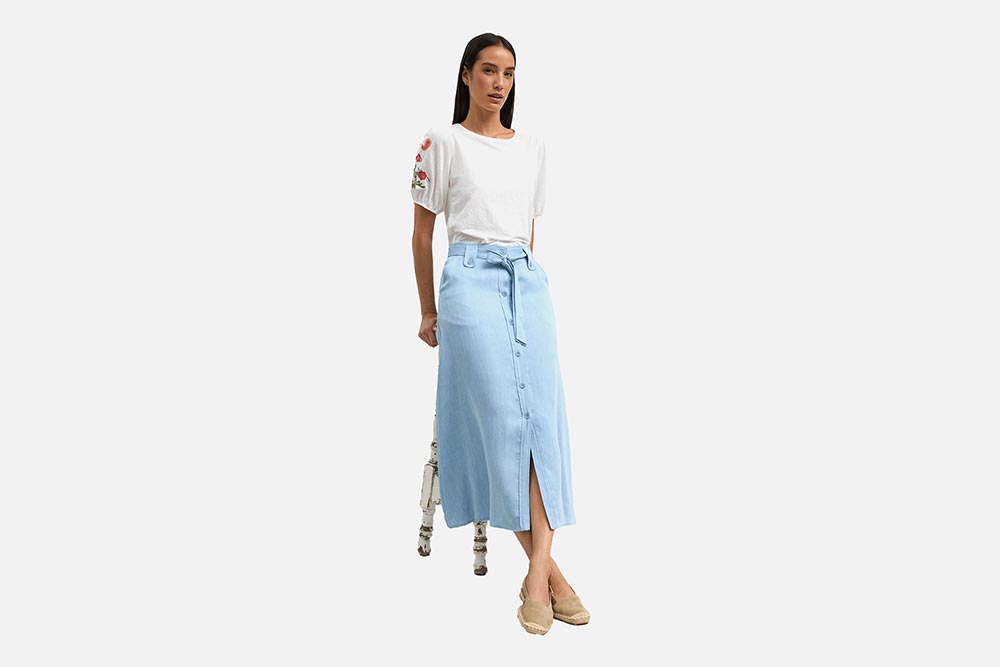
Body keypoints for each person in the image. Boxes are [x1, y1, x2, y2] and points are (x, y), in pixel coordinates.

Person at [410, 33, 590, 635]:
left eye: (508, 73)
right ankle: (551, 576)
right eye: (489, 70)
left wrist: (527, 281)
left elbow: (527, 234)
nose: (499, 83)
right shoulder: (441, 142)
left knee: (541, 422)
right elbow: (422, 233)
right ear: (466, 74)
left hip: (526, 284)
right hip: (467, 282)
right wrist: (428, 310)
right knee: (501, 424)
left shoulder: (533, 148)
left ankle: (540, 577)